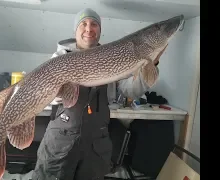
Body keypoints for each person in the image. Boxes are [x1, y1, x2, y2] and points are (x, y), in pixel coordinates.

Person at [31, 8, 166, 180]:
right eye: (83, 24)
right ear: (75, 30)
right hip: (61, 140)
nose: (89, 28)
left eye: (94, 24)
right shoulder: (58, 58)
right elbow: (47, 96)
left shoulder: (113, 57)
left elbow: (129, 90)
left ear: (100, 31)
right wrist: (59, 92)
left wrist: (152, 63)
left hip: (96, 143)